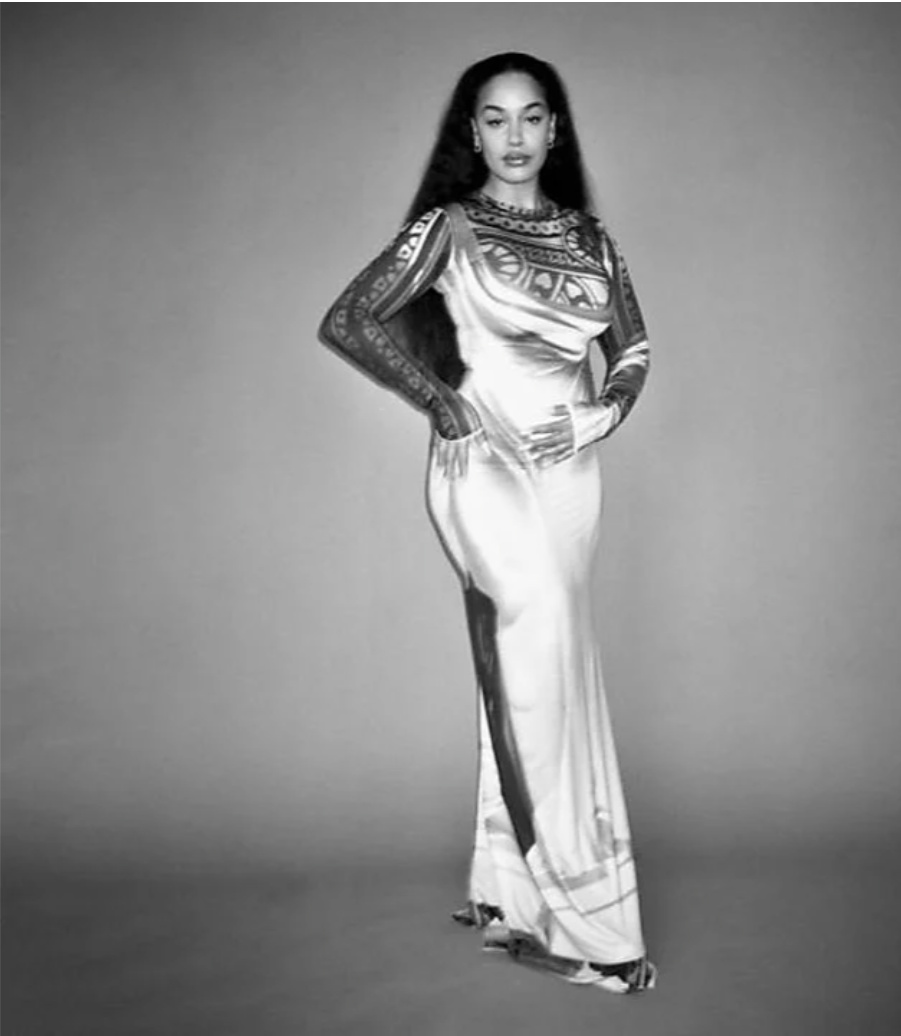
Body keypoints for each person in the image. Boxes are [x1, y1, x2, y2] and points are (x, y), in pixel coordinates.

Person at [318, 52, 655, 994]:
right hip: (484, 467)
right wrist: (440, 400)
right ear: (473, 133)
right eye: (495, 119)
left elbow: (632, 349)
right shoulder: (450, 228)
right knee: (536, 663)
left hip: (571, 474)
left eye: (532, 116)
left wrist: (598, 418)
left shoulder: (591, 239)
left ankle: (508, 888)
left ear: (555, 128)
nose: (515, 136)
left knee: (549, 665)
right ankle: (586, 921)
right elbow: (349, 320)